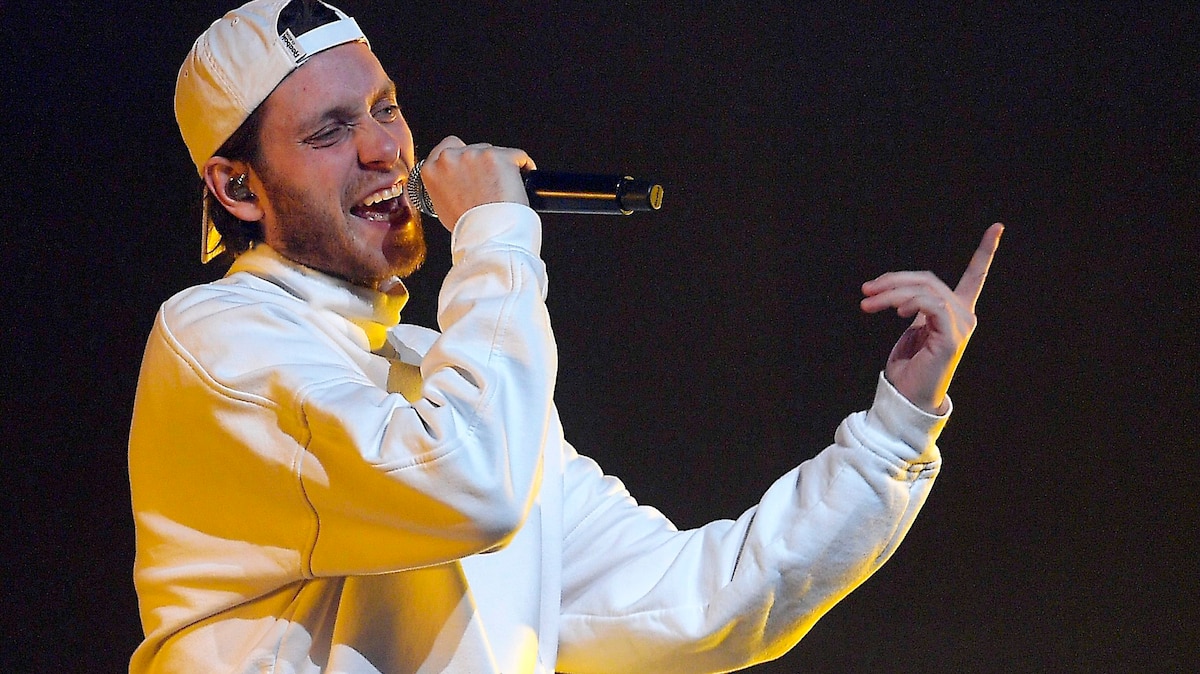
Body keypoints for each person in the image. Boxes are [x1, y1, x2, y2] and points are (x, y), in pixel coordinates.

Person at [128, 1, 1003, 672]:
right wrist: (497, 237)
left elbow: (699, 602)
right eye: (330, 130)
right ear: (236, 187)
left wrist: (896, 428)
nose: (384, 149)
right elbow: (471, 486)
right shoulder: (217, 340)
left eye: (385, 108)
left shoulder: (446, 375)